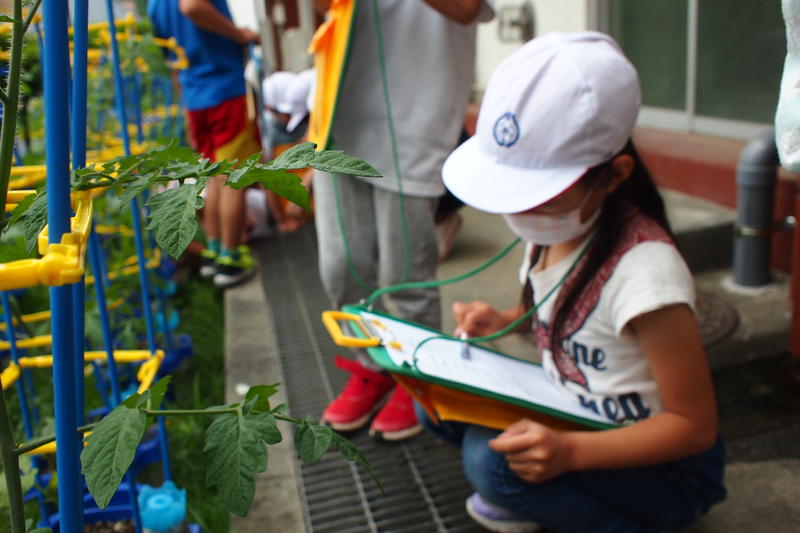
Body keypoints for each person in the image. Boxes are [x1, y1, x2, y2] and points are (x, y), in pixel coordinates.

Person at [425, 32, 726, 532]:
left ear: (615, 174)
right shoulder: (553, 230)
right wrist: (503, 321)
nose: (521, 210)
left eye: (540, 193)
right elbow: (569, 327)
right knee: (434, 405)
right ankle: (547, 495)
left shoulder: (647, 275)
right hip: (573, 412)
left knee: (490, 462)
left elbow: (694, 428)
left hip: (666, 469)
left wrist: (569, 452)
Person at [312, 0, 494, 441]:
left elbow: (467, 7)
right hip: (339, 114)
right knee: (341, 268)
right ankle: (372, 367)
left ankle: (417, 373)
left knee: (404, 276)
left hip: (415, 118)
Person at [148, 0, 262, 289]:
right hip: (224, 90)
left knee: (213, 176)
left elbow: (171, 60)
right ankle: (231, 259)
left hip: (195, 97)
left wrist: (186, 102)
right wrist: (240, 34)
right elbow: (192, 6)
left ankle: (214, 251)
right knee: (233, 177)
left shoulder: (154, 5)